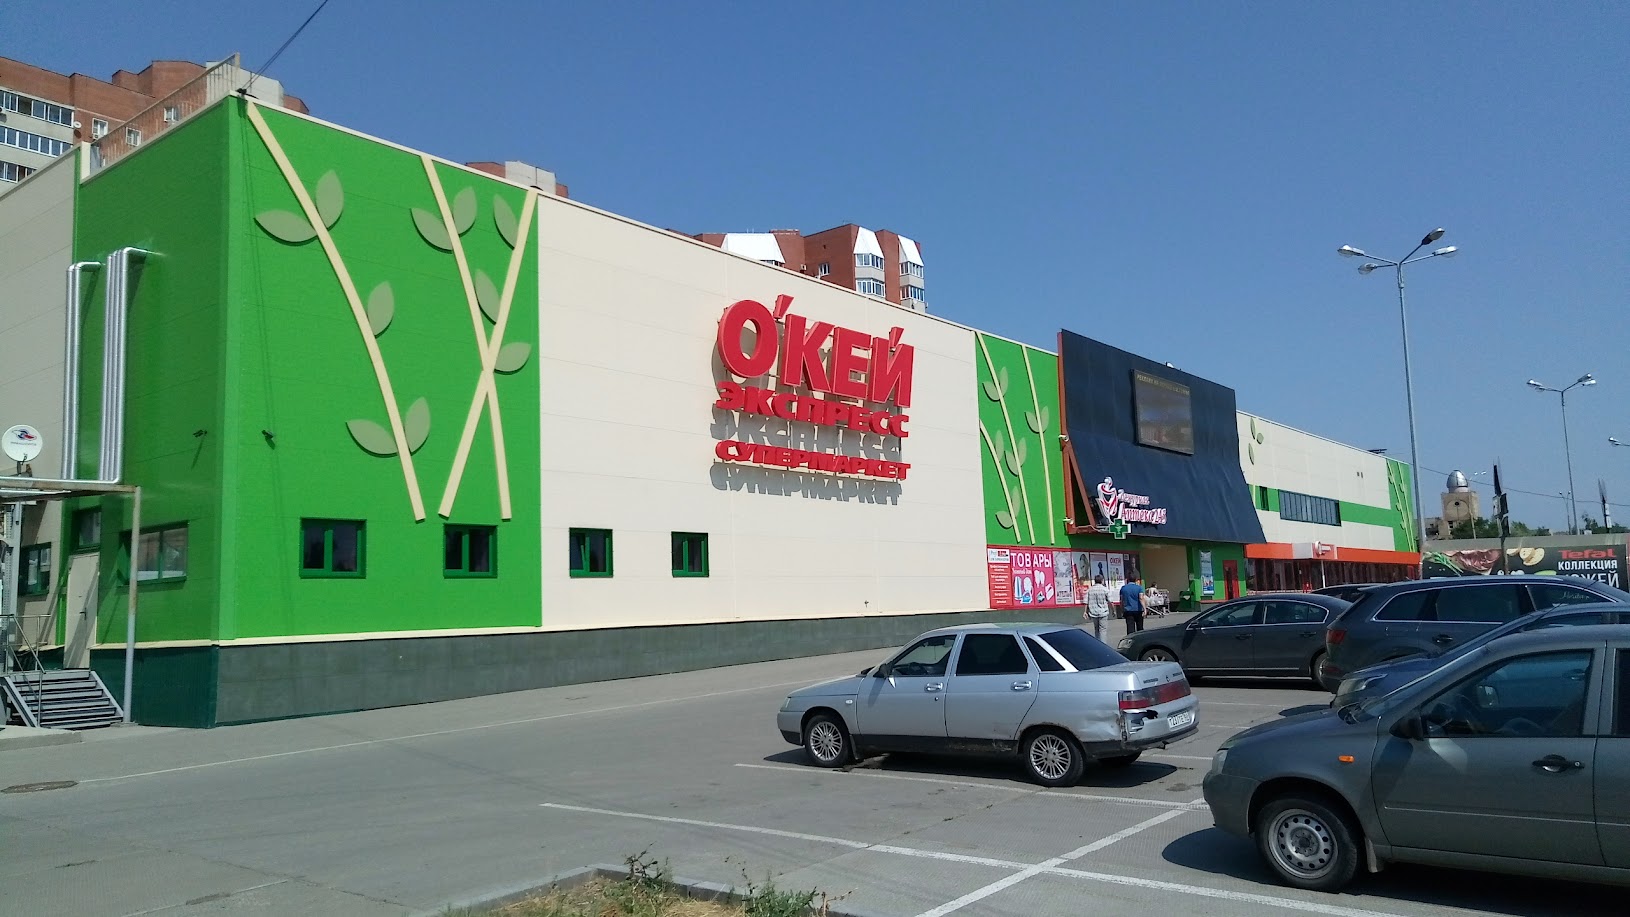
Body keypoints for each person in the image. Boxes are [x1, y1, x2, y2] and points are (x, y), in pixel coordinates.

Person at [1083, 575, 1112, 640]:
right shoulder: (1105, 589)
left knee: (1096, 629)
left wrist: (1085, 612)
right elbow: (1111, 601)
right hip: (1103, 613)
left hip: (1093, 613)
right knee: (1103, 630)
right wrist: (1113, 610)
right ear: (1102, 580)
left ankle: (1097, 643)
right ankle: (1102, 644)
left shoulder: (1090, 590)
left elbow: (1086, 602)